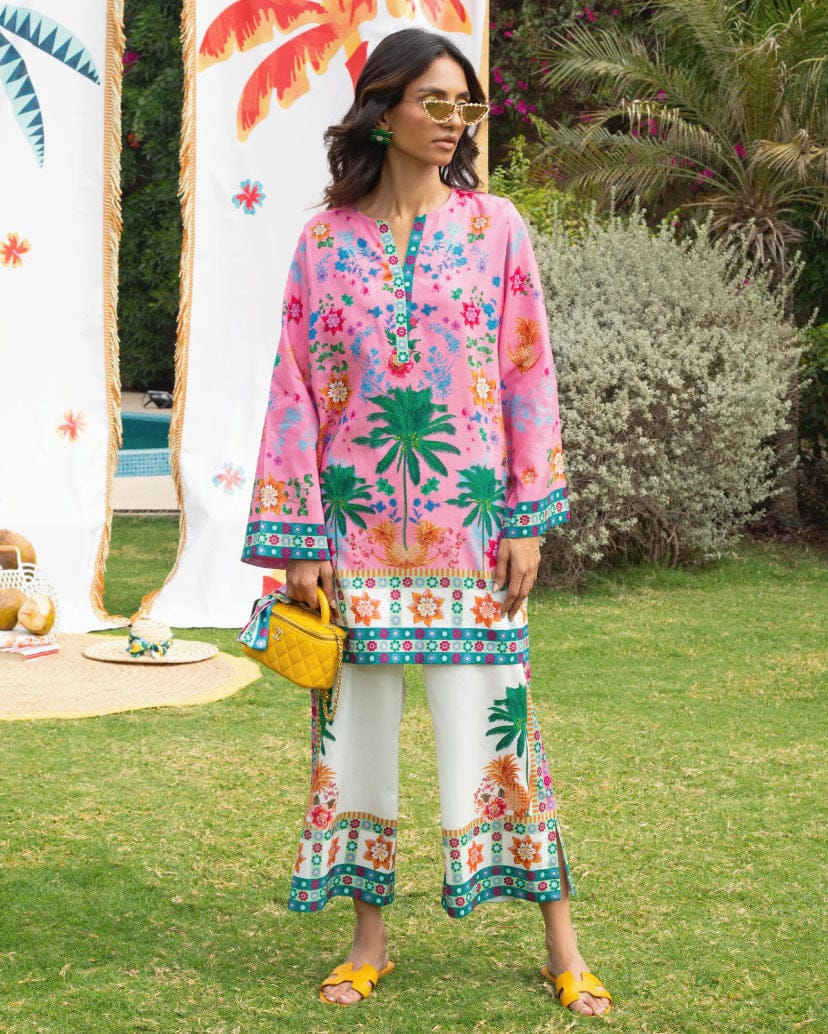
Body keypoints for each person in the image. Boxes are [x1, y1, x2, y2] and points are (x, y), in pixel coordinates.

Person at [241, 27, 612, 1016]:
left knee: (504, 730)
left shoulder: (498, 229)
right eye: (434, 102)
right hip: (353, 538)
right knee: (352, 739)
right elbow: (293, 392)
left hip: (473, 533)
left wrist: (527, 517)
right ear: (384, 111)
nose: (453, 122)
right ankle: (369, 942)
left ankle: (563, 946)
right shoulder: (324, 244)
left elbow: (528, 373)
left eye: (466, 105)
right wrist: (300, 543)